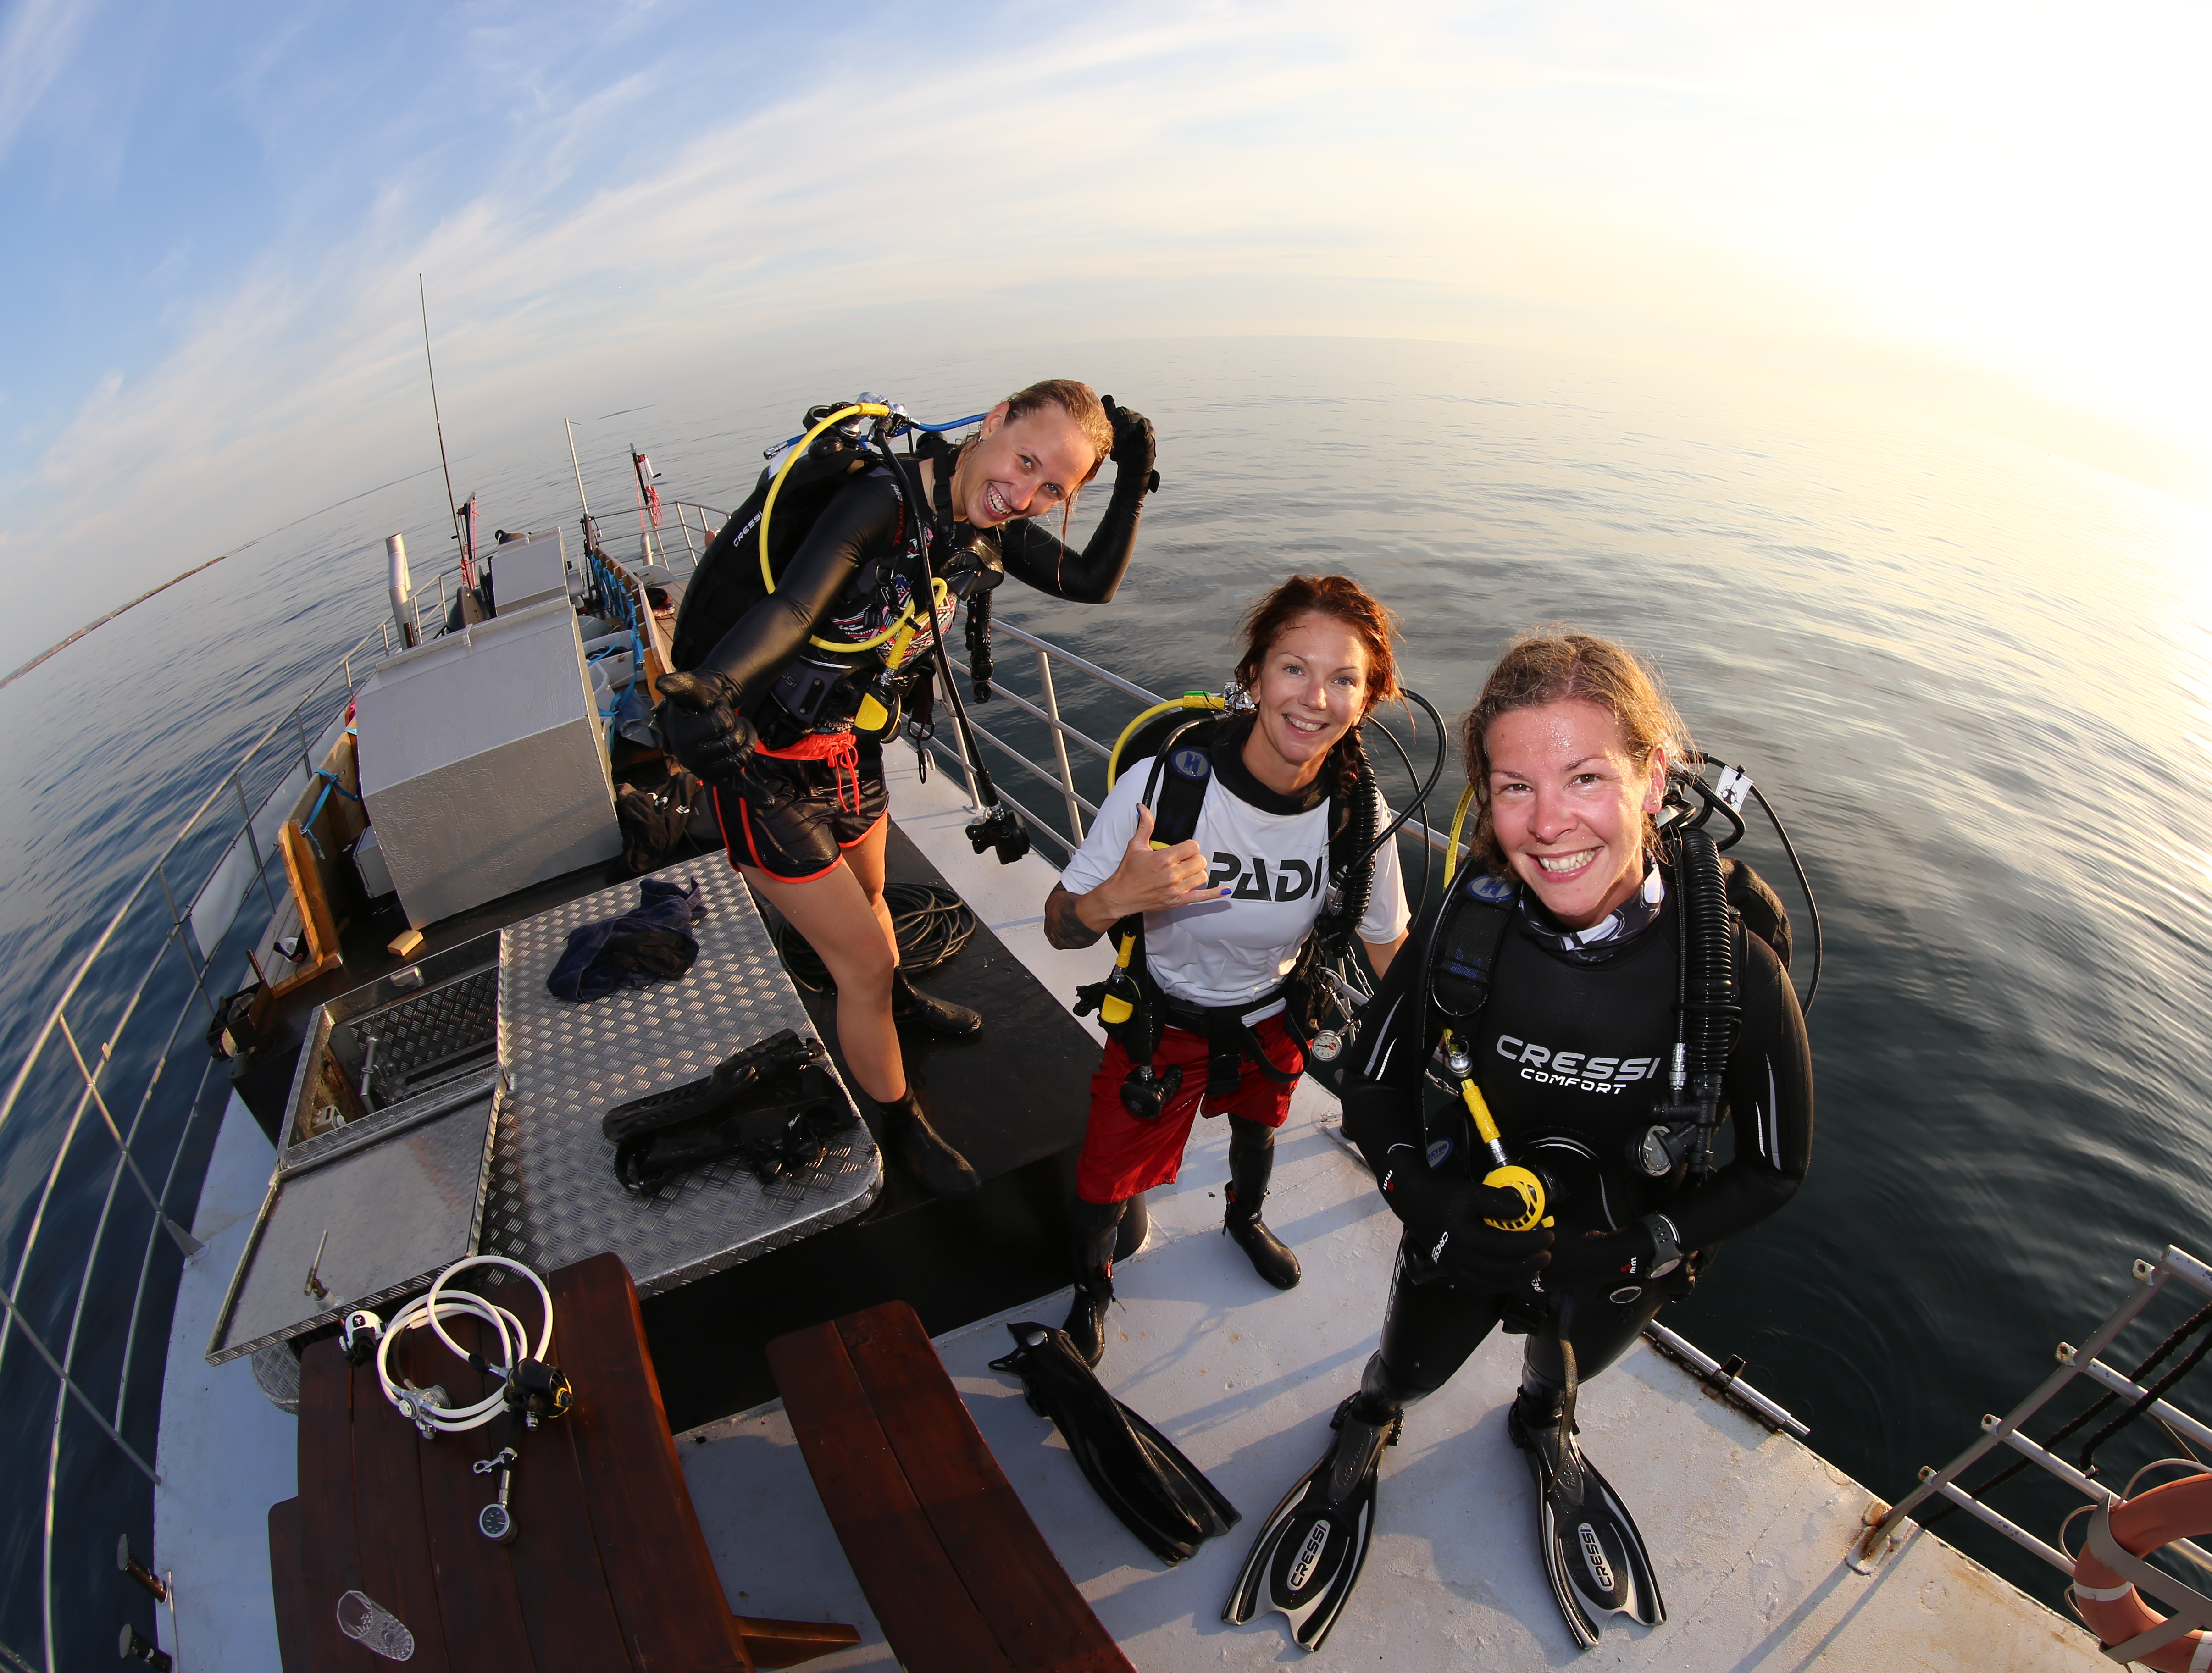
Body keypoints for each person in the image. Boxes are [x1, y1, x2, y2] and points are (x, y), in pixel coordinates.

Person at [1224, 629, 1814, 1653]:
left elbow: (1777, 1167)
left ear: (1651, 777)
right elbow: (1370, 1091)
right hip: (1464, 1230)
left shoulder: (1730, 974)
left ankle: (1546, 1429)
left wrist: (1637, 1250)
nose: (1548, 826)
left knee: (1564, 1373)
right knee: (1406, 1369)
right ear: (1484, 798)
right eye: (1513, 787)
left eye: (1586, 777)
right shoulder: (1470, 925)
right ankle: (1373, 1418)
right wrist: (1429, 1199)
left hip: (1622, 1258)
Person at [656, 379, 1159, 1198]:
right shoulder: (879, 503)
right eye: (1024, 459)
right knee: (859, 962)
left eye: (1053, 490)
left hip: (849, 747)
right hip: (762, 766)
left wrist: (1132, 476)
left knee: (877, 901)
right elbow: (789, 608)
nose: (1022, 495)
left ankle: (899, 997)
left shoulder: (980, 528)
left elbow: (1093, 580)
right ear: (994, 419)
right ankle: (898, 1127)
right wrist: (714, 687)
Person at [1042, 575, 1411, 1365]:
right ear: (1253, 675)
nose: (1315, 698)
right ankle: (1091, 1288)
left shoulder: (1358, 814)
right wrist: (1115, 897)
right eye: (1293, 669)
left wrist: (1450, 1044)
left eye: (1344, 678)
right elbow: (1060, 925)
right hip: (1160, 1021)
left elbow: (1388, 944)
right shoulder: (1166, 790)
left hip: (1271, 1016)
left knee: (1261, 1128)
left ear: (1368, 699)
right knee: (1106, 1178)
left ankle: (1243, 1219)